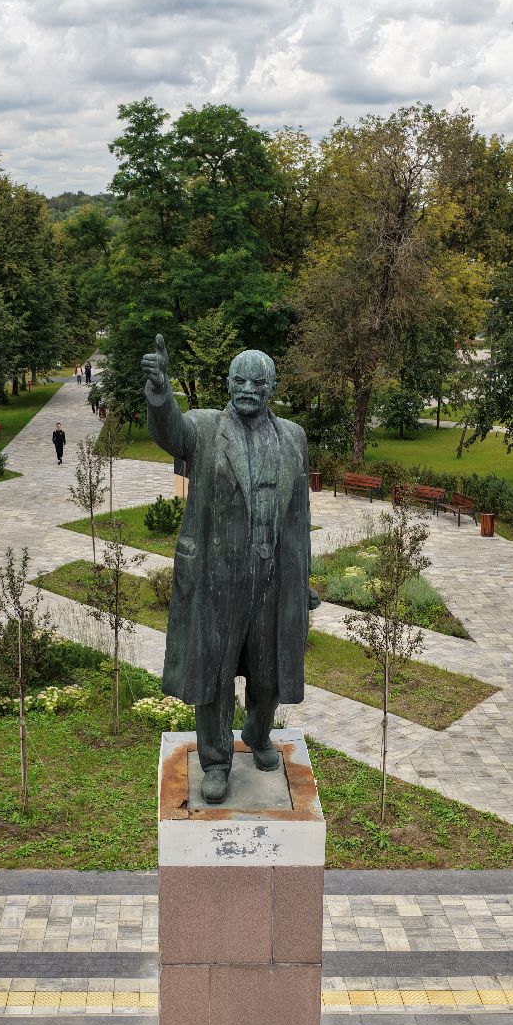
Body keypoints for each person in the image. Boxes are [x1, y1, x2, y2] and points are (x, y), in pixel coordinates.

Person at [141, 334, 317, 805]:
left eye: (257, 382)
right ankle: (215, 760)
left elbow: (298, 514)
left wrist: (304, 580)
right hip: (217, 579)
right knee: (216, 675)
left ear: (272, 388)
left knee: (268, 673)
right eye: (239, 380)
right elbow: (170, 432)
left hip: (272, 579)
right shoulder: (203, 428)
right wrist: (160, 392)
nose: (247, 389)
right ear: (227, 384)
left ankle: (259, 736)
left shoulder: (294, 437)